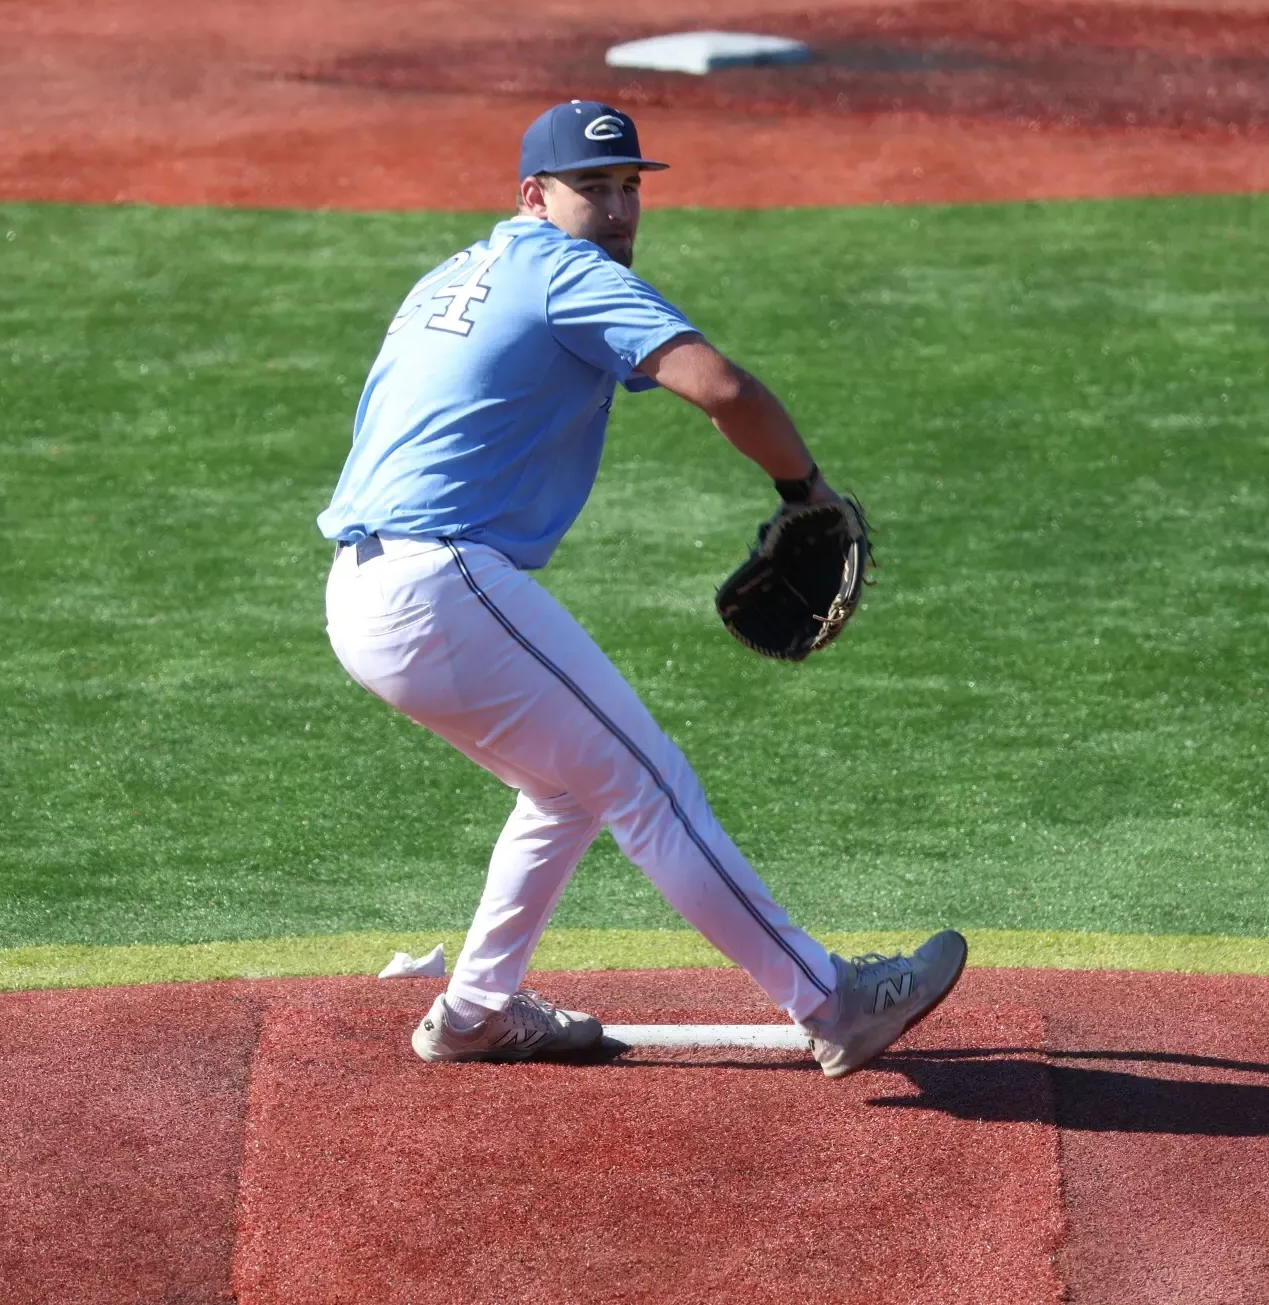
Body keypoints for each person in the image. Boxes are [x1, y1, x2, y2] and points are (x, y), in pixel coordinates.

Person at [317, 100, 966, 1078]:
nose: (618, 210)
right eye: (593, 188)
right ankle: (830, 998)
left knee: (565, 787)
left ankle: (475, 1011)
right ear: (534, 195)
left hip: (364, 597)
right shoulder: (558, 267)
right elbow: (723, 388)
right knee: (645, 781)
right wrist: (805, 493)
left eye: (629, 188)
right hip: (437, 583)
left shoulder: (455, 274)